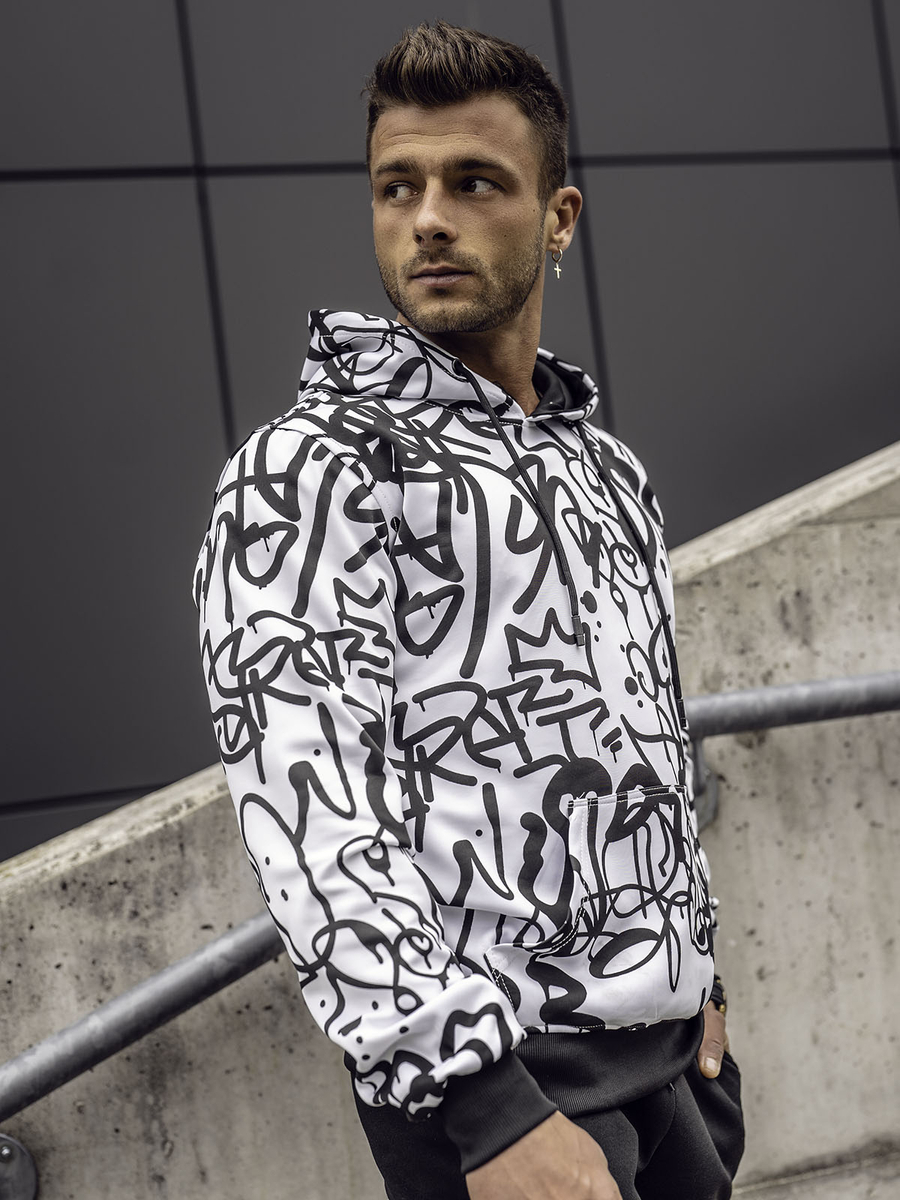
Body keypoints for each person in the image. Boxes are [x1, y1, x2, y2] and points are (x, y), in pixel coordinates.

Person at [194, 19, 744, 1200]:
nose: (429, 218)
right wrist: (483, 1108)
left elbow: (652, 745)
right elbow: (309, 812)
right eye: (399, 187)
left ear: (559, 217)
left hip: (673, 1068)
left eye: (475, 182)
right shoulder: (309, 472)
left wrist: (703, 983)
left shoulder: (608, 471)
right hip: (499, 1087)